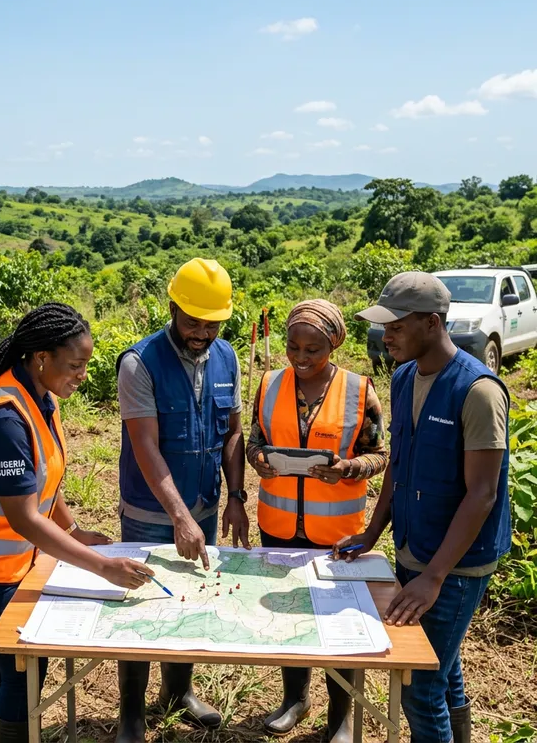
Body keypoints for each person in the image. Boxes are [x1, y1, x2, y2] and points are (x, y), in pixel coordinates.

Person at [0, 302, 154, 743]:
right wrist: (102, 567)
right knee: (20, 662)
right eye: (76, 365)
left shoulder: (41, 396)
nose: (83, 375)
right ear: (41, 358)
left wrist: (71, 530)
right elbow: (25, 517)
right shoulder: (5, 419)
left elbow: (44, 477)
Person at [337, 272, 510, 743]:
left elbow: (483, 494)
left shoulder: (478, 392)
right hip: (415, 547)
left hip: (457, 565)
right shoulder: (404, 376)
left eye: (396, 326)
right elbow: (400, 459)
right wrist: (373, 534)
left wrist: (434, 576)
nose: (384, 336)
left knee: (420, 687)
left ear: (432, 324)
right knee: (443, 665)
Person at [115, 258, 249, 743]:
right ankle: (130, 712)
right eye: (193, 321)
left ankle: (177, 694)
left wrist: (235, 496)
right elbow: (145, 447)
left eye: (213, 323)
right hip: (152, 514)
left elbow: (233, 433)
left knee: (189, 601)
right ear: (173, 307)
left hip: (206, 505)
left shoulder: (227, 358)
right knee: (142, 604)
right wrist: (178, 517)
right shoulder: (140, 363)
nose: (203, 332)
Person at [246, 299, 388, 742]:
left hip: (338, 534)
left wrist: (349, 468)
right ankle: (295, 699)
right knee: (289, 617)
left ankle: (341, 717)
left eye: (313, 349)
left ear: (334, 344)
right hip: (279, 527)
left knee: (339, 624)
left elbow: (382, 454)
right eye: (293, 347)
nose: (301, 358)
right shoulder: (268, 384)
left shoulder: (359, 390)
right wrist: (260, 462)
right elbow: (254, 442)